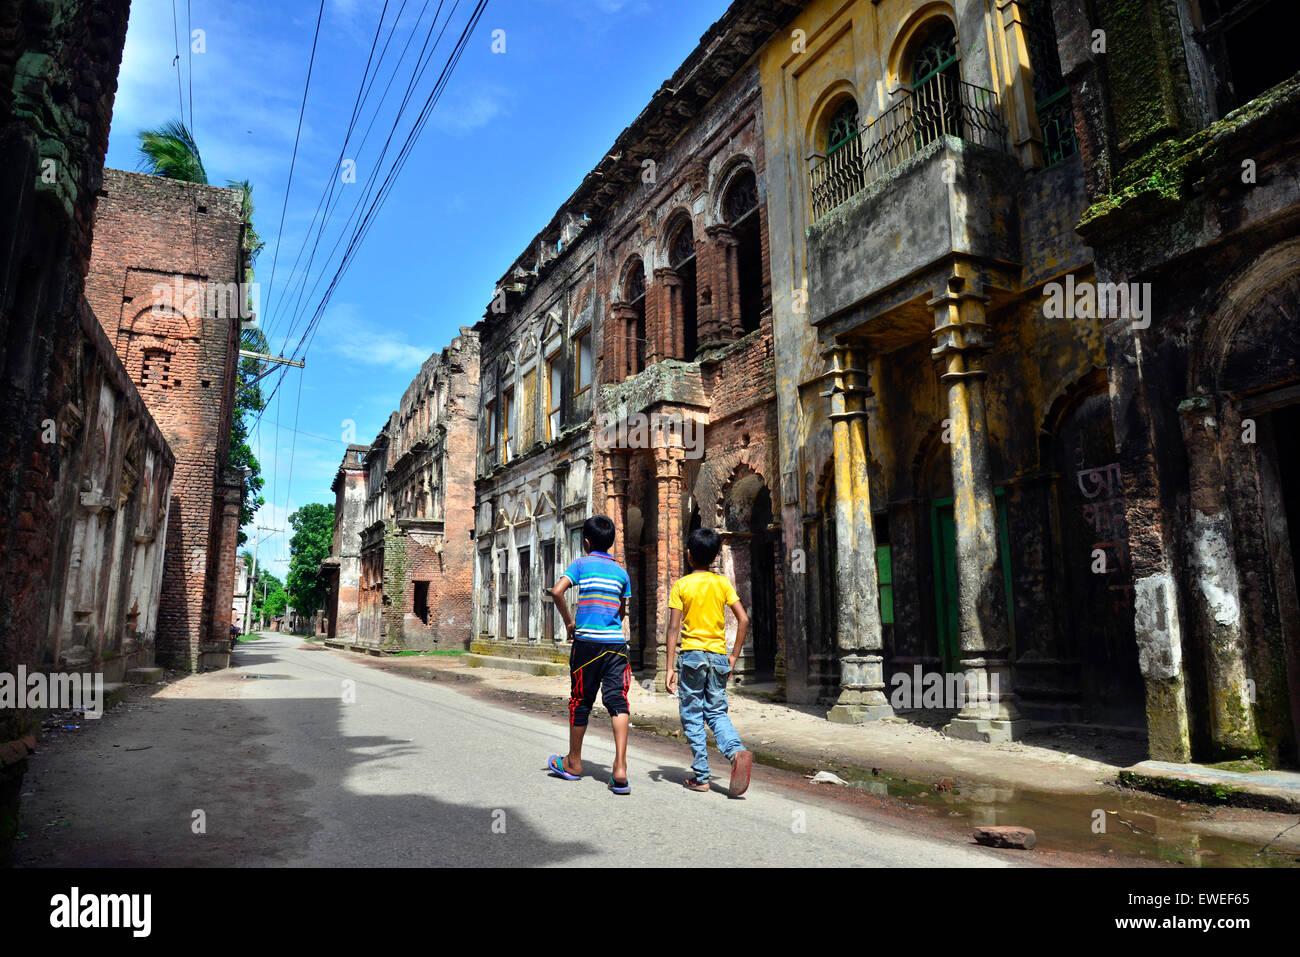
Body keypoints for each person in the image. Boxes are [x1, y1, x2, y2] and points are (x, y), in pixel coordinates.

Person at [547, 515, 633, 794]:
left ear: (586, 542)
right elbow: (621, 611)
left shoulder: (581, 565)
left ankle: (573, 763)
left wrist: (570, 623)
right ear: (611, 543)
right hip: (616, 646)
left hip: (587, 646)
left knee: (581, 701)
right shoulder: (621, 573)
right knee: (617, 700)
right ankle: (620, 768)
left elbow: (557, 591)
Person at [665, 526, 753, 796]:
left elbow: (672, 629)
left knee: (692, 713)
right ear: (716, 556)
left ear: (689, 555)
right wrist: (734, 655)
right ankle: (736, 751)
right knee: (716, 713)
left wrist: (669, 667)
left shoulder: (681, 586)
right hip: (718, 657)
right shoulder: (722, 584)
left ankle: (701, 776)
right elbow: (743, 619)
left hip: (691, 656)